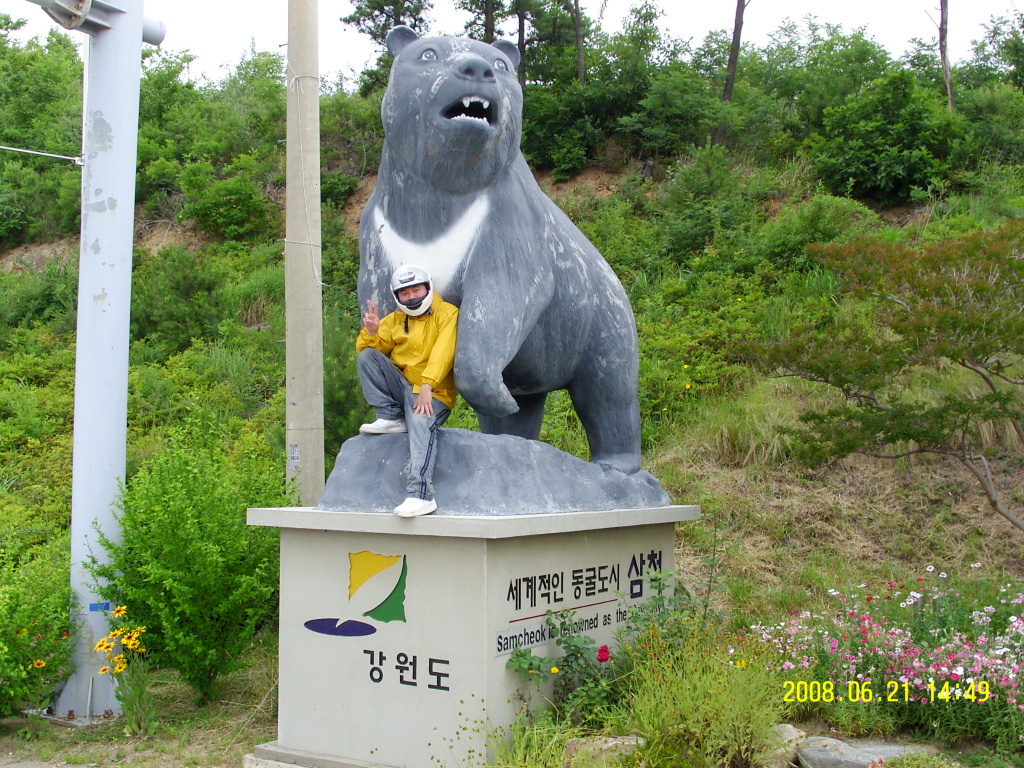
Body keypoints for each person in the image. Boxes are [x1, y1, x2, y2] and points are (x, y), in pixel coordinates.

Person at [355, 264, 458, 517]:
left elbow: (444, 352)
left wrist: (427, 385)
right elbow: (370, 352)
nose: (411, 297)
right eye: (405, 293)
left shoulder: (447, 313)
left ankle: (420, 495)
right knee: (367, 355)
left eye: (416, 290)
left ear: (427, 287)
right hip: (403, 389)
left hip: (433, 393)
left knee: (422, 417)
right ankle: (390, 416)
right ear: (397, 296)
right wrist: (371, 334)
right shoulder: (396, 320)